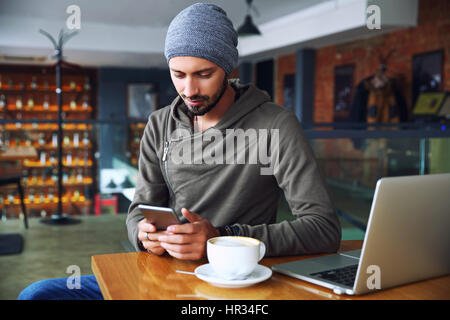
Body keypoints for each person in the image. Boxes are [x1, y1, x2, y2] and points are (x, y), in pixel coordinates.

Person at [18, 3, 340, 300]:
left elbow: (323, 228)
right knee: (39, 294)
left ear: (228, 68)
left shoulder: (276, 125)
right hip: (159, 275)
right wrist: (143, 234)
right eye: (178, 75)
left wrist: (223, 238)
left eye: (203, 74)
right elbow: (137, 211)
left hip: (231, 281)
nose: (189, 90)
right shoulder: (159, 125)